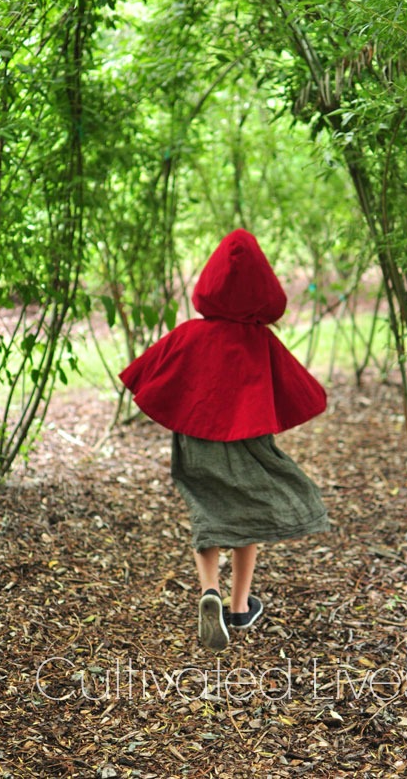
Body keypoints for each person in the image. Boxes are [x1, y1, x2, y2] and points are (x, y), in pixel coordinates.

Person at [119, 229, 330, 652]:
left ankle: (208, 590)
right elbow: (298, 389)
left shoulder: (188, 335)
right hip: (248, 440)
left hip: (195, 440)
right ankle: (238, 607)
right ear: (261, 288)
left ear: (210, 281)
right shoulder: (258, 341)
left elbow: (142, 373)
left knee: (207, 511)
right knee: (246, 512)